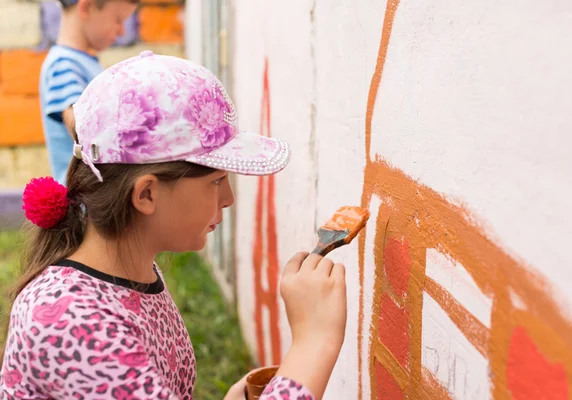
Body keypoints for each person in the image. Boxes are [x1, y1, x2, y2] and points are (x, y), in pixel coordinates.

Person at [1, 51, 347, 400]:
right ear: (147, 194)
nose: (228, 198)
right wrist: (315, 341)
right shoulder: (71, 322)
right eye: (215, 181)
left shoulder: (131, 273)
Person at [40, 0, 138, 185]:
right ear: (87, 7)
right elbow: (83, 127)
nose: (122, 31)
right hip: (84, 198)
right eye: (118, 20)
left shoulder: (82, 62)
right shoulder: (64, 63)